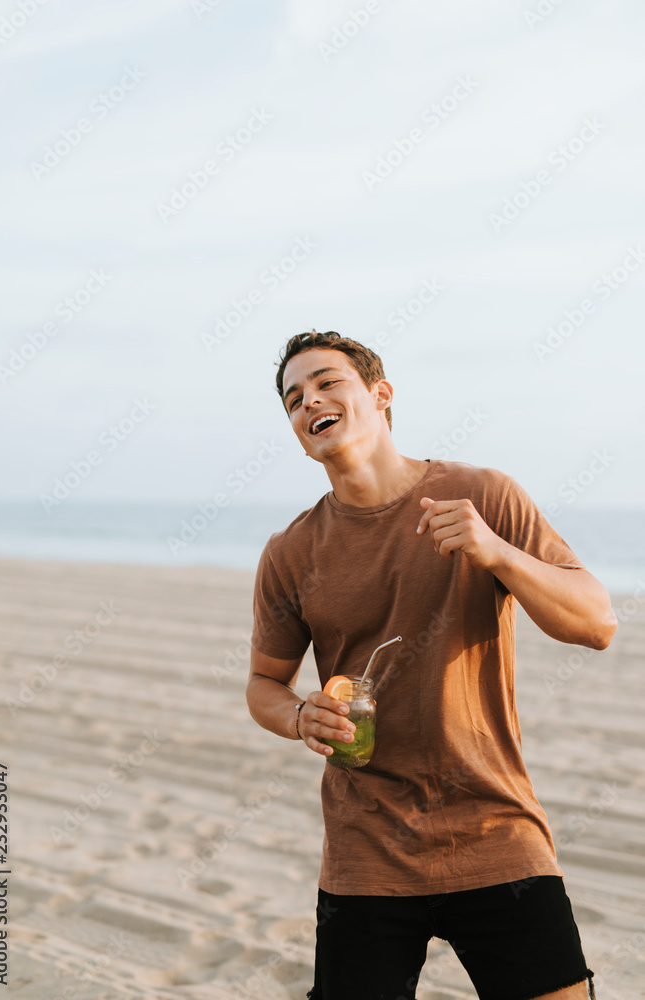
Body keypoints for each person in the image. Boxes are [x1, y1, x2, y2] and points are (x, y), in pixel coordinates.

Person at [246, 330, 616, 1000]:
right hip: (365, 851)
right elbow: (263, 686)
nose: (310, 402)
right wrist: (302, 717)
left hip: (494, 829)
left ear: (380, 396)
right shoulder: (290, 552)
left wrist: (498, 554)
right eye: (293, 399)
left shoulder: (483, 496)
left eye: (327, 383)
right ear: (298, 433)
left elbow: (596, 624)